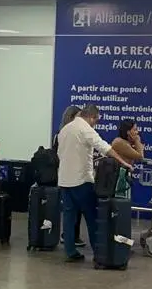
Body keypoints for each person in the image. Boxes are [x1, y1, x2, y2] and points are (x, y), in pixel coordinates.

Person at [56, 105, 131, 264]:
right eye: (96, 120)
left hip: (64, 180)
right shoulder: (85, 129)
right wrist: (124, 162)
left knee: (69, 219)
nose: (95, 124)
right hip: (81, 181)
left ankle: (70, 251)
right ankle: (99, 251)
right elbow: (104, 147)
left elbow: (60, 154)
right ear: (92, 117)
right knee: (92, 217)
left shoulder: (65, 129)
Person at [55, 105, 87, 246]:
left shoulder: (60, 134)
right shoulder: (71, 134)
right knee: (74, 208)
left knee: (71, 209)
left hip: (64, 174)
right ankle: (70, 236)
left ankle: (70, 236)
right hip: (73, 175)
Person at [109, 119, 145, 198]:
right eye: (135, 130)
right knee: (119, 203)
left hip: (123, 177)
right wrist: (137, 140)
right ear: (128, 132)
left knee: (124, 202)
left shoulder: (126, 143)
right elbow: (140, 156)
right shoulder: (120, 142)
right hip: (117, 178)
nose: (137, 132)